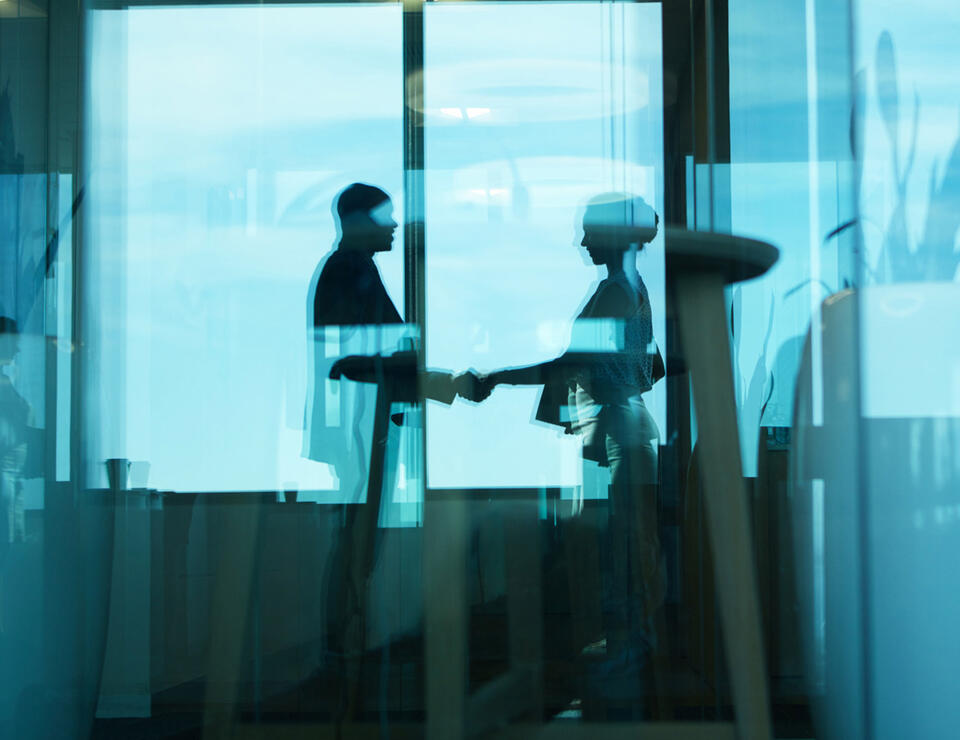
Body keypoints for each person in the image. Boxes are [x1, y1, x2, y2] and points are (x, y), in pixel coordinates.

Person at [464, 193, 666, 705]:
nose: (582, 242)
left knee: (616, 562)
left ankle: (620, 689)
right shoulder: (630, 289)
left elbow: (567, 364)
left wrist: (495, 379)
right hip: (620, 432)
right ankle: (623, 684)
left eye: (590, 233)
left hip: (616, 437)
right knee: (619, 557)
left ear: (616, 236)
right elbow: (654, 367)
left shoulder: (618, 293)